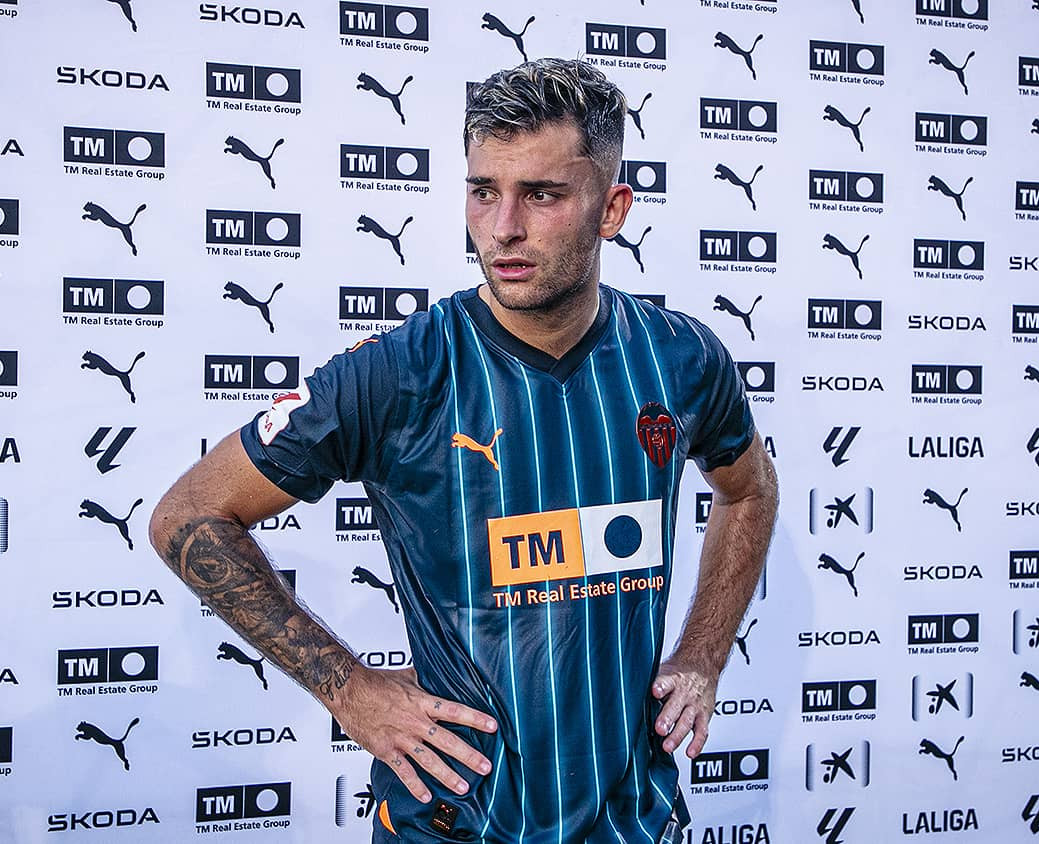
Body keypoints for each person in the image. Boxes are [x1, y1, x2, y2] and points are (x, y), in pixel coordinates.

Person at [149, 58, 778, 844]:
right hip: (455, 821)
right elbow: (189, 516)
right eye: (484, 191)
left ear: (612, 209)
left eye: (541, 195)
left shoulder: (681, 358)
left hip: (633, 820)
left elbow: (749, 490)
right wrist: (348, 689)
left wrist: (703, 655)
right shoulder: (398, 373)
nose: (503, 227)